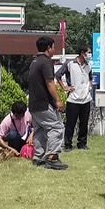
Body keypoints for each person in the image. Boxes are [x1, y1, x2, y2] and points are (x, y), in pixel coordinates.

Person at [24, 36, 68, 170]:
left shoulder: (34, 61)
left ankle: (39, 157)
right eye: (53, 47)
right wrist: (58, 100)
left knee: (40, 130)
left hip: (33, 104)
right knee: (57, 127)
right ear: (49, 48)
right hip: (44, 103)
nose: (54, 50)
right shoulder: (46, 62)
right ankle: (52, 157)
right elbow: (50, 83)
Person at [63, 48, 94, 151]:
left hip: (85, 99)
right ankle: (68, 144)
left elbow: (90, 78)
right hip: (73, 99)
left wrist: (88, 87)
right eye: (88, 52)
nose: (90, 55)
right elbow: (58, 75)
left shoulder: (89, 65)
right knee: (70, 123)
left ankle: (82, 143)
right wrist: (65, 88)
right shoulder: (70, 64)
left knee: (84, 123)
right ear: (82, 53)